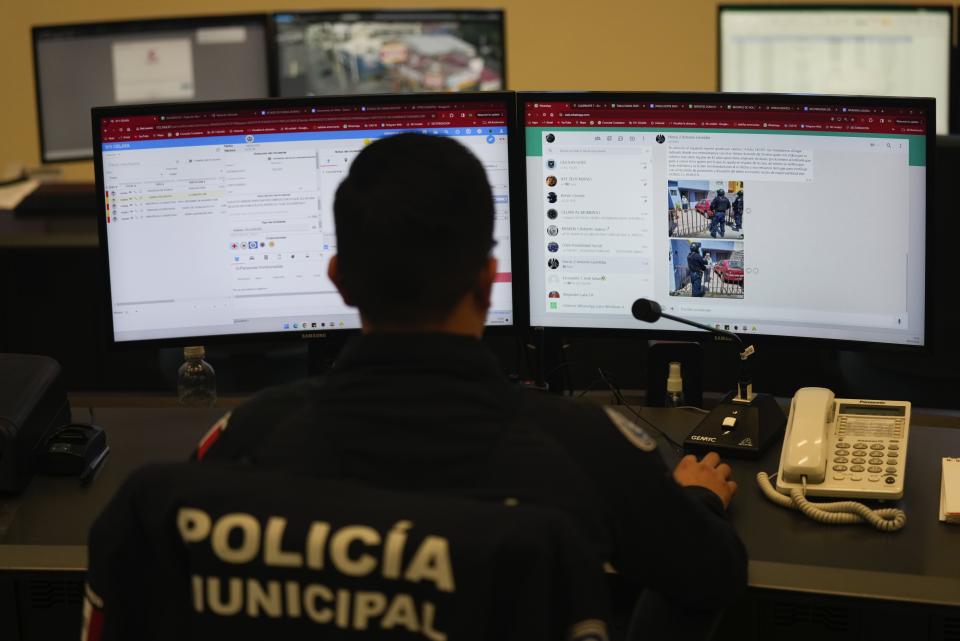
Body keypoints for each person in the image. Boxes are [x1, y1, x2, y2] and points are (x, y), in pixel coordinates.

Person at [196, 134, 746, 629]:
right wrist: (694, 502)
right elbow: (715, 577)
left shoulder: (245, 438)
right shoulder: (593, 448)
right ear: (488, 280)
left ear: (339, 281)